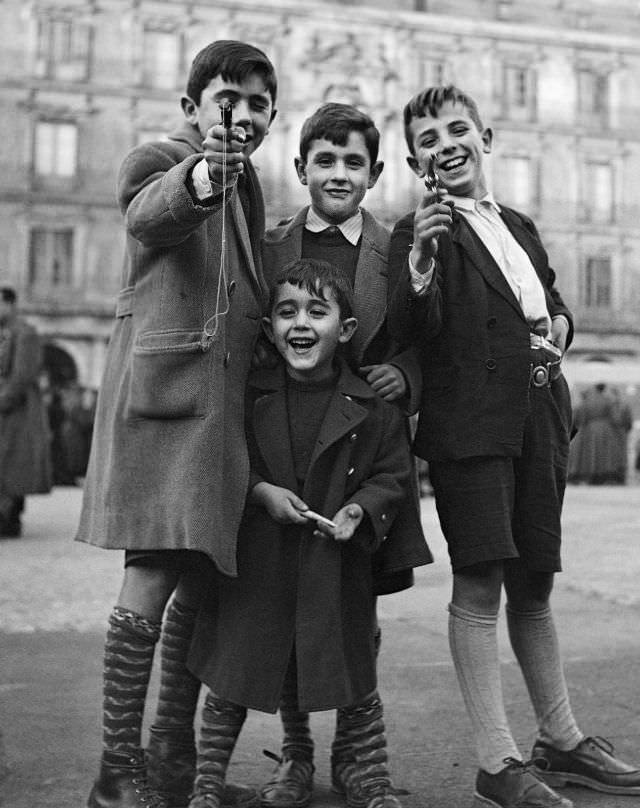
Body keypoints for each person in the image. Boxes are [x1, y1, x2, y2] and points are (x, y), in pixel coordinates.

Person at [386, 85, 640, 808]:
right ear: (415, 161)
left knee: (536, 580)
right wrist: (423, 259)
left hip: (538, 417)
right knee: (480, 581)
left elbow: (549, 296)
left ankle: (559, 739)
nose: (447, 145)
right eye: (429, 139)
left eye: (458, 129)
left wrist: (560, 323)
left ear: (487, 137)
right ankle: (496, 760)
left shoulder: (520, 224)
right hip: (471, 426)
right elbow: (412, 323)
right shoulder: (417, 232)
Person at [75, 40, 278, 808]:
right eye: (231, 97)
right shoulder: (159, 156)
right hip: (167, 405)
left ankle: (169, 766)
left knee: (196, 581)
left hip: (217, 415)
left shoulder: (253, 185)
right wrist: (203, 175)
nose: (245, 114)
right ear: (192, 106)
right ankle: (114, 776)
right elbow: (149, 212)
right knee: (153, 574)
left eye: (260, 103)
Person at [187, 258, 421, 808]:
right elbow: (223, 461)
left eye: (318, 312)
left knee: (352, 670)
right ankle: (209, 783)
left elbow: (394, 475)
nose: (300, 324)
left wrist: (361, 510)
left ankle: (372, 774)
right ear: (269, 327)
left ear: (346, 330)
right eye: (287, 311)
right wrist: (261, 492)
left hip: (335, 569)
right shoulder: (246, 398)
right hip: (257, 563)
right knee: (235, 672)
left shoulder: (375, 407)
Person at [260, 102, 431, 808]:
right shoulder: (272, 248)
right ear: (301, 169)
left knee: (358, 606)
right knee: (291, 603)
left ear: (375, 172)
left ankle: (358, 757)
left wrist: (408, 375)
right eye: (324, 161)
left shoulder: (398, 250)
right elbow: (253, 336)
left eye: (352, 161)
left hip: (364, 450)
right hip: (293, 446)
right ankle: (296, 754)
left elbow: (431, 335)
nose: (338, 174)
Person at [0, 285, 52, 538]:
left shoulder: (25, 333)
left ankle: (9, 518)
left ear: (10, 304)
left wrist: (4, 400)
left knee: (12, 465)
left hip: (17, 412)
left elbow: (22, 374)